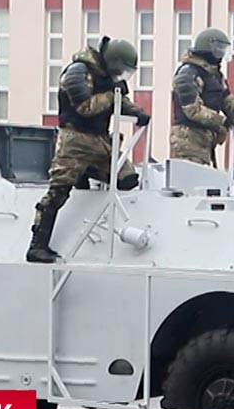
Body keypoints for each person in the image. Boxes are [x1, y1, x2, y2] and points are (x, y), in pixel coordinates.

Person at [27, 37, 150, 264]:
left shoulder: (109, 80)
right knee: (58, 192)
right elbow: (85, 107)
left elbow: (120, 101)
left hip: (100, 141)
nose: (122, 75)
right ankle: (37, 246)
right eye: (121, 70)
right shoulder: (77, 72)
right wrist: (112, 94)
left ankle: (85, 175)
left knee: (127, 179)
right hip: (75, 140)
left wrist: (138, 112)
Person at [170, 28, 234, 168]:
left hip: (206, 138)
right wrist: (225, 122)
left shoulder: (214, 75)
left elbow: (228, 102)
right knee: (194, 182)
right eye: (219, 48)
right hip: (188, 139)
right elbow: (192, 110)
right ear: (208, 48)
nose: (221, 52)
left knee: (208, 182)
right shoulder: (188, 73)